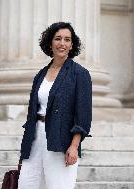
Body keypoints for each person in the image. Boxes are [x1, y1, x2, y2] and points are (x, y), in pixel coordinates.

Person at [18, 22, 92, 189]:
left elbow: (83, 115)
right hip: (35, 139)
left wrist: (74, 146)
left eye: (67, 40)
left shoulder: (79, 74)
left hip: (61, 141)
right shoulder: (41, 74)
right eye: (58, 38)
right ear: (50, 42)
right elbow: (32, 112)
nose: (62, 43)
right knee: (26, 184)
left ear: (72, 44)